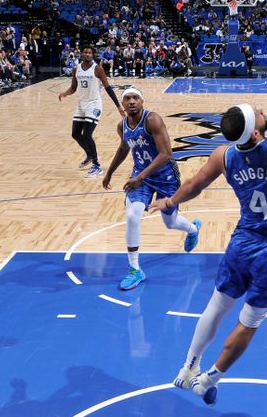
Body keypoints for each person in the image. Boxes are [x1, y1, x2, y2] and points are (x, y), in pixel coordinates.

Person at [147, 0, 267, 406]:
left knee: (217, 305)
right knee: (249, 321)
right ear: (261, 126)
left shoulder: (226, 156)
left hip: (241, 242)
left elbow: (190, 184)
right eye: (261, 111)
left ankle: (189, 362)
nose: (265, 109)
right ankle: (209, 378)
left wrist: (171, 201)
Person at [102, 86, 202, 291]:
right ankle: (135, 269)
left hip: (165, 175)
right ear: (122, 104)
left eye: (135, 98)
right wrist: (110, 172)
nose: (131, 101)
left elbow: (166, 153)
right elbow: (124, 148)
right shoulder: (122, 126)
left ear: (142, 101)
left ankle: (192, 229)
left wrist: (139, 176)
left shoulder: (152, 120)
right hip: (141, 177)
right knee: (133, 215)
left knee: (170, 222)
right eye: (127, 98)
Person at [58, 46, 124, 178]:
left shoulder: (97, 69)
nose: (87, 54)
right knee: (75, 134)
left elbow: (108, 88)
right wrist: (65, 93)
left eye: (90, 53)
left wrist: (118, 106)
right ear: (82, 54)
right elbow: (73, 87)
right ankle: (89, 154)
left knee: (87, 134)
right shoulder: (76, 69)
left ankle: (97, 165)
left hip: (94, 104)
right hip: (81, 105)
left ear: (93, 55)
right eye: (85, 52)